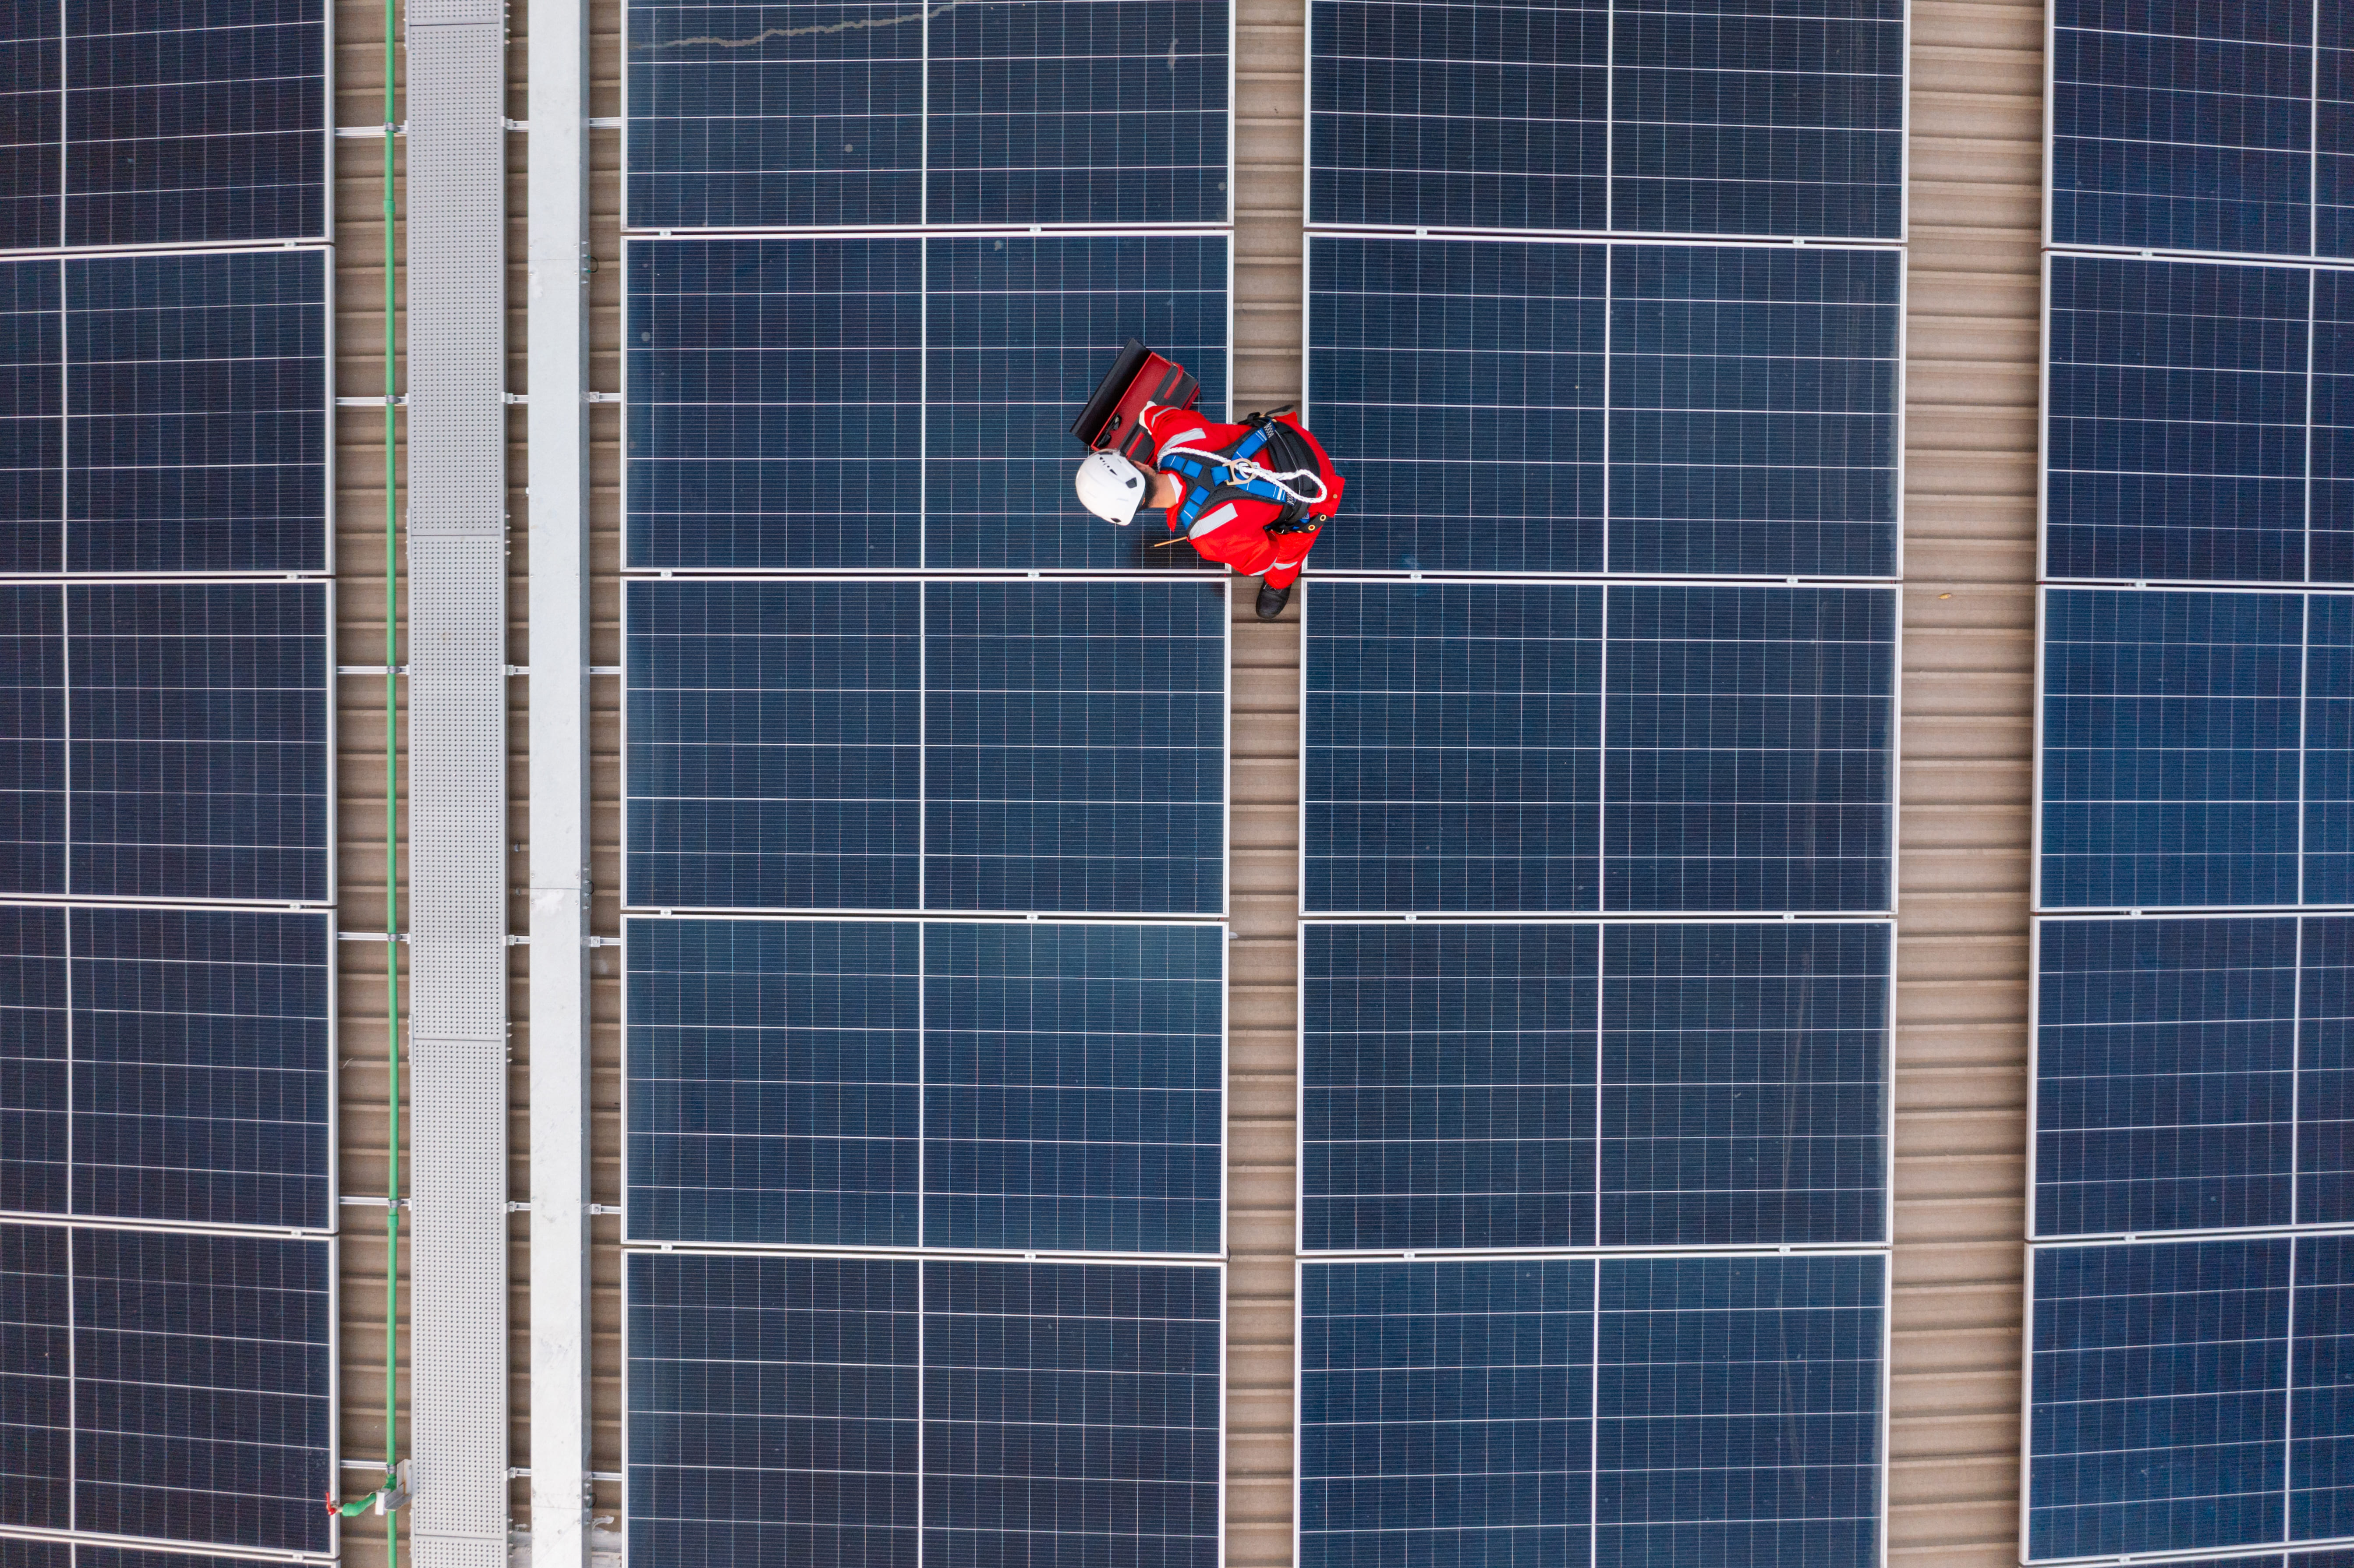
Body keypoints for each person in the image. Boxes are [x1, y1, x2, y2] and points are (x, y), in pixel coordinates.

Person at [1074, 401, 1344, 620]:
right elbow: (1159, 415)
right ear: (1139, 464)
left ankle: (1280, 583)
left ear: (1131, 514)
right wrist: (1146, 415)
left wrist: (1255, 519)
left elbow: (1265, 558)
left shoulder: (1208, 536)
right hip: (1294, 438)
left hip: (1319, 492)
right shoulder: (1177, 436)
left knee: (1286, 554)